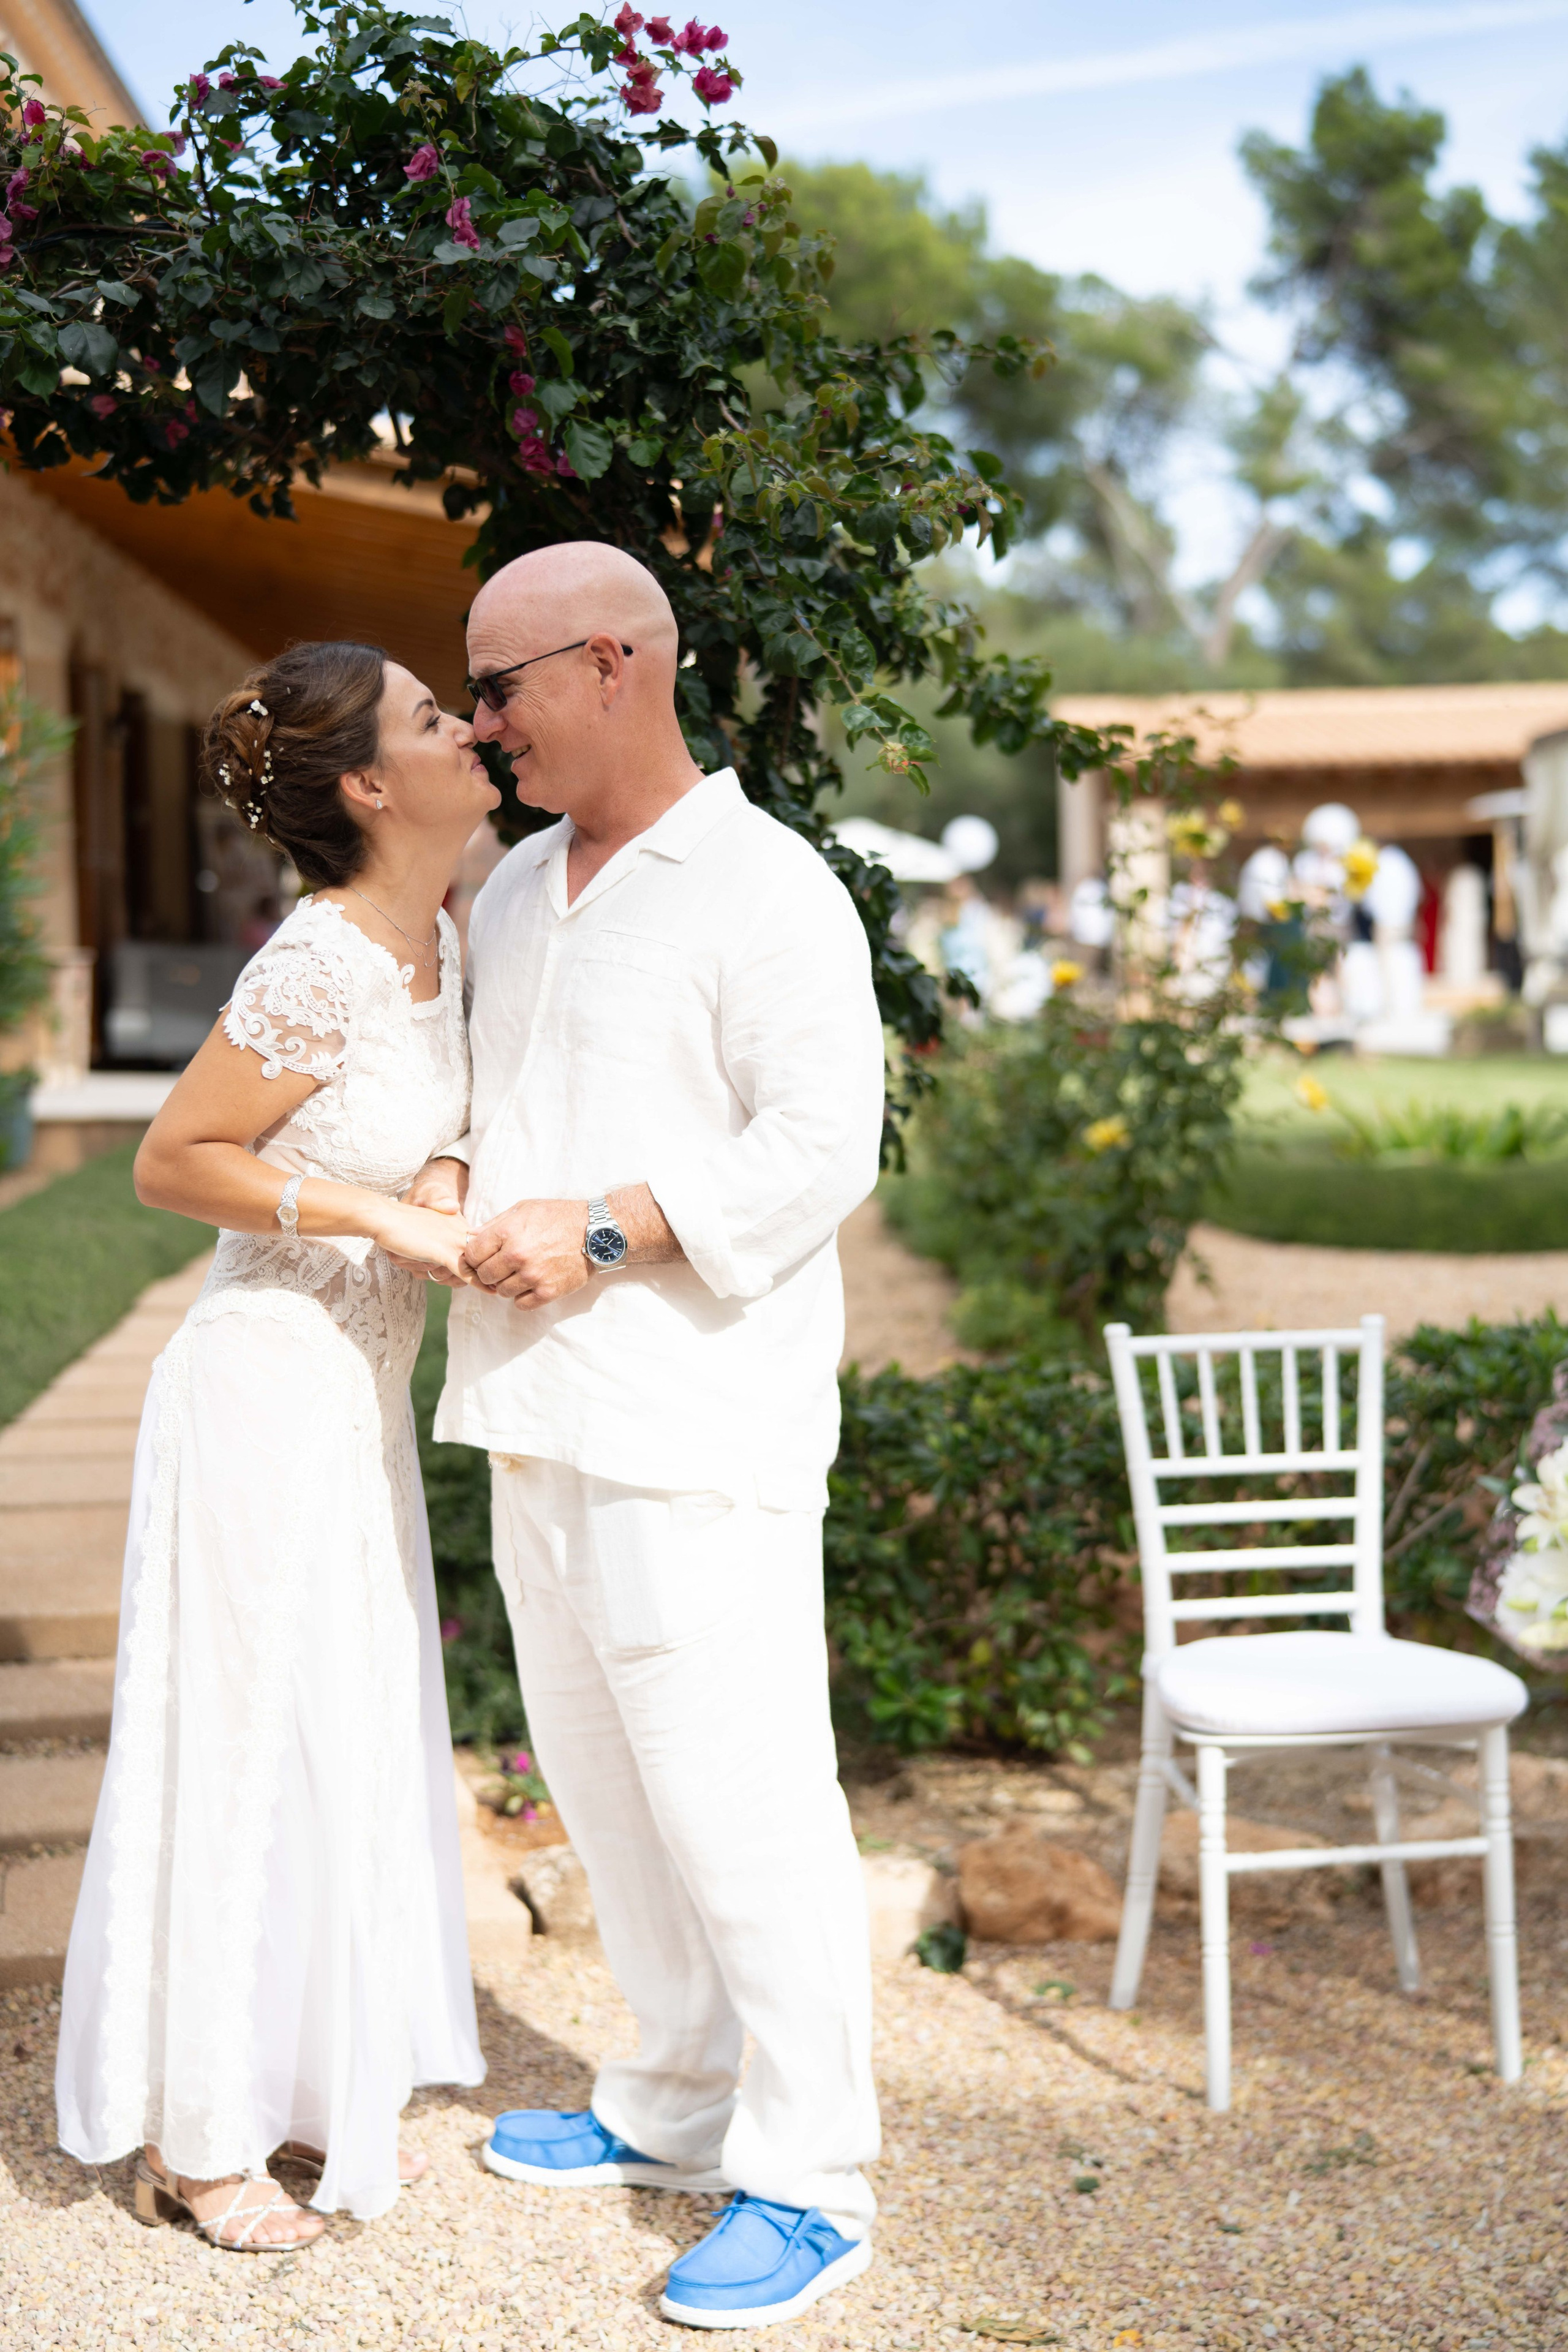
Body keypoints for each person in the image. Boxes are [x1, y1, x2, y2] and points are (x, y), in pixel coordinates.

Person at [409, 541, 886, 2331]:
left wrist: (603, 1228)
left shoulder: (770, 890)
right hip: (537, 1414)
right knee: (610, 1797)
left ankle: (812, 2178)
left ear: (613, 664)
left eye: (500, 686)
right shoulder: (521, 886)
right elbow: (488, 1084)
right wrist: (456, 1168)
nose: (480, 722)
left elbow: (819, 1143)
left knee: (744, 1803)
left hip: (700, 1424)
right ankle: (678, 2101)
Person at [55, 643, 493, 2249]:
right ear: (372, 786)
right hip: (259, 1381)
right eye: (437, 719)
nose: (471, 729)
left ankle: (313, 2086)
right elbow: (174, 1162)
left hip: (356, 1397)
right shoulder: (318, 962)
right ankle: (196, 2139)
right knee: (237, 1755)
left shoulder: (442, 932)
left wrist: (440, 1175)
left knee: (350, 1739)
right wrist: (377, 1209)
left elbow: (435, 1112)